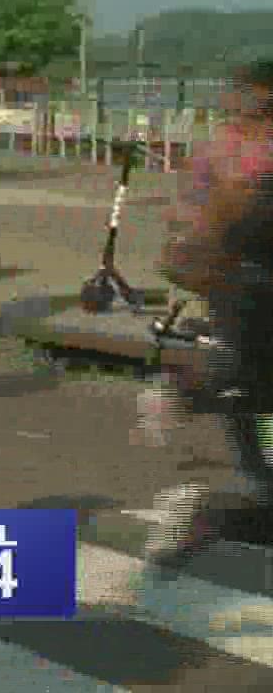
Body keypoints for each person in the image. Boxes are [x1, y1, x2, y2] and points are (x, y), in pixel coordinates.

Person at [149, 58, 273, 564]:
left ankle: (214, 507)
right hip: (247, 292)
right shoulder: (229, 153)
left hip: (243, 296)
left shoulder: (229, 151)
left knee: (257, 412)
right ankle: (207, 511)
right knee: (257, 408)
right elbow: (196, 222)